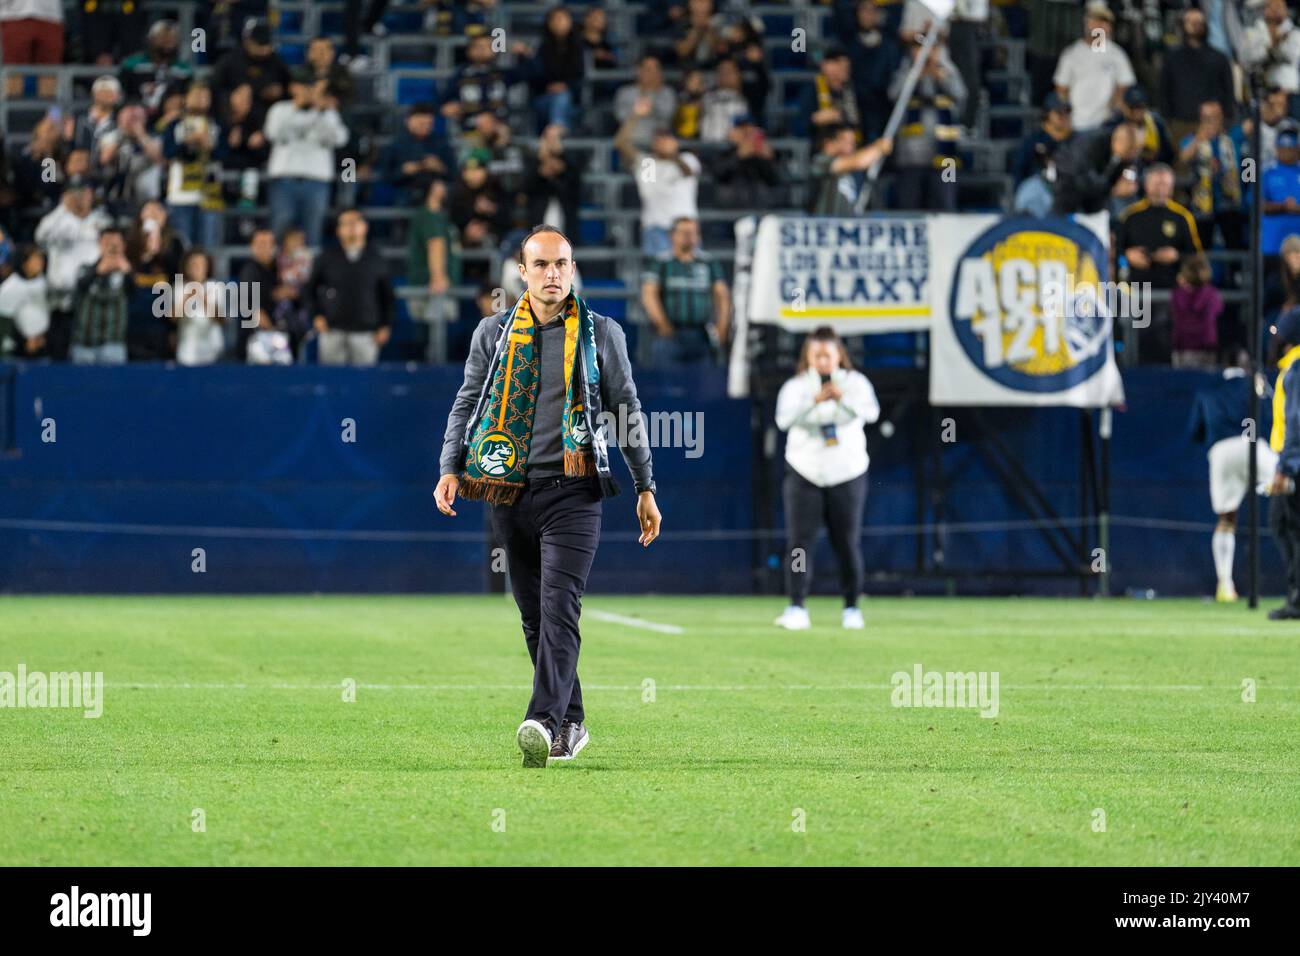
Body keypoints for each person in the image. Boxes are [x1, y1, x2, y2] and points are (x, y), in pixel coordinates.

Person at [434, 225, 661, 767]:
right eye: (542, 265)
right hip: (507, 490)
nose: (553, 274)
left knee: (560, 607)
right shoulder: (492, 333)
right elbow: (467, 403)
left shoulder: (602, 333)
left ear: (573, 268)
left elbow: (625, 411)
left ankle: (541, 719)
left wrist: (645, 485)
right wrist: (449, 467)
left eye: (562, 264)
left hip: (576, 491)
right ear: (522, 272)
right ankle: (572, 722)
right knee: (534, 617)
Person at [773, 325, 880, 631]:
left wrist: (842, 398)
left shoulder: (856, 383)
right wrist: (814, 401)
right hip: (805, 471)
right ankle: (796, 607)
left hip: (847, 472)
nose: (822, 361)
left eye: (827, 355)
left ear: (838, 356)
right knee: (799, 545)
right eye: (816, 355)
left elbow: (871, 413)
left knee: (846, 542)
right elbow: (783, 420)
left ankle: (851, 608)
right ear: (808, 356)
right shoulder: (796, 387)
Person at [1189, 352, 1276, 603]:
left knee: (1226, 518)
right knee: (1290, 488)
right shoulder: (1253, 383)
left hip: (1221, 451)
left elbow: (1195, 432)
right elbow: (1270, 412)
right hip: (1252, 445)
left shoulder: (1207, 390)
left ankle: (1225, 585)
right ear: (1245, 366)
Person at [263, 68, 350, 248]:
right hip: (284, 179)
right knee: (279, 233)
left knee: (313, 235)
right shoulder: (280, 109)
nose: (308, 92)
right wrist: (297, 108)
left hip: (317, 181)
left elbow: (340, 139)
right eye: (304, 87)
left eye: (311, 88)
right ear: (294, 88)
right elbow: (273, 133)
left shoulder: (328, 113)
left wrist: (322, 110)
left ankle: (310, 276)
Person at [304, 209, 393, 366]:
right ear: (338, 230)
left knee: (364, 383)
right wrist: (316, 315)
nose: (352, 227)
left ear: (365, 226)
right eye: (346, 223)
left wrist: (385, 325)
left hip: (365, 332)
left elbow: (387, 296)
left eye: (356, 221)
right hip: (332, 330)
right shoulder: (326, 257)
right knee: (331, 382)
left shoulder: (376, 258)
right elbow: (309, 290)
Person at [614, 99, 701, 256]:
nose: (663, 142)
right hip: (656, 229)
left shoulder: (687, 159)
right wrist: (635, 116)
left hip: (686, 229)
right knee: (656, 279)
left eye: (667, 137)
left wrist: (673, 155)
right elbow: (621, 144)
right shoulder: (649, 164)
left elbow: (687, 172)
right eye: (659, 138)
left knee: (689, 277)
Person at [640, 217, 730, 366]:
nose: (689, 237)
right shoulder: (661, 263)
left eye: (693, 233)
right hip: (670, 334)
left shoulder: (708, 262)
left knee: (703, 384)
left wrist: (722, 325)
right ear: (672, 236)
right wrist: (662, 324)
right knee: (667, 385)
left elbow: (722, 295)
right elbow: (649, 294)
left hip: (702, 334)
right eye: (684, 233)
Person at [1053, 1, 1134, 132]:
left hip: (1106, 126)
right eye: (1095, 20)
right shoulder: (1072, 53)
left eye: (1104, 21)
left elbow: (1124, 86)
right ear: (1087, 23)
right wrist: (1066, 117)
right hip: (1076, 124)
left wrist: (1113, 110)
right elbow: (1061, 88)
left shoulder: (1117, 55)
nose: (1099, 25)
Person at [1267, 308, 1300, 619]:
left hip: (1294, 464)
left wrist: (1285, 467)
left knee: (1286, 526)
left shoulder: (1295, 369)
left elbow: (1296, 421)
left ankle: (1297, 598)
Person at [69, 226, 133, 365]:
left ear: (123, 246)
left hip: (113, 344)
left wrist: (128, 274)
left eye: (116, 244)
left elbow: (135, 294)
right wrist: (97, 272)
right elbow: (80, 288)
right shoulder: (85, 268)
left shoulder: (127, 273)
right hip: (84, 344)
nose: (112, 247)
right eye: (108, 242)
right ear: (100, 243)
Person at [807, 123, 892, 216]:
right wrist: (878, 148)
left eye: (853, 142)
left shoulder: (854, 169)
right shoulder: (820, 161)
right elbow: (858, 162)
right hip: (826, 226)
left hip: (849, 226)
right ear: (829, 143)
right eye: (846, 141)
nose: (851, 146)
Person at [172, 247, 225, 366]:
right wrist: (187, 297)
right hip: (187, 350)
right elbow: (173, 317)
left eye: (202, 264)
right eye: (194, 264)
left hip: (211, 350)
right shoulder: (180, 287)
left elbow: (221, 320)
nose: (198, 268)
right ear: (187, 267)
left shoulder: (216, 287)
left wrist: (203, 298)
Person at [1171, 254, 1223, 369]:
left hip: (1183, 348)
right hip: (1205, 348)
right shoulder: (1211, 294)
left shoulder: (1177, 294)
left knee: (1182, 385)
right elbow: (1219, 309)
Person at [0, 245, 49, 357]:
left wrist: (42, 336)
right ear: (24, 264)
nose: (39, 262)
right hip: (20, 347)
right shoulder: (9, 288)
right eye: (35, 259)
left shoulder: (44, 282)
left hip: (44, 342)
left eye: (40, 258)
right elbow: (4, 324)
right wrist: (24, 340)